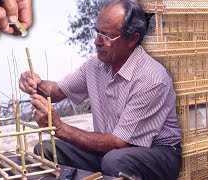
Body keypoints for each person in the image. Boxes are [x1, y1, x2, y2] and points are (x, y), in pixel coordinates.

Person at [19, 0, 182, 179]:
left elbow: (120, 143)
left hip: (156, 154)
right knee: (47, 149)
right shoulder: (96, 66)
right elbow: (56, 91)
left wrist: (60, 128)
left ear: (132, 39)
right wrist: (36, 83)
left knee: (115, 161)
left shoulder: (151, 79)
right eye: (97, 32)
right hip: (111, 149)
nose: (97, 41)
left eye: (107, 36)